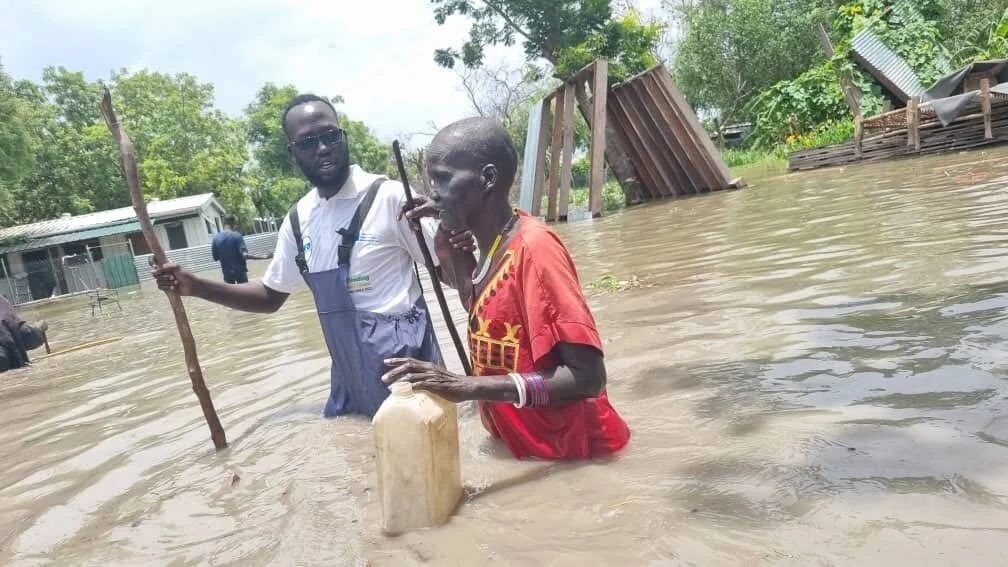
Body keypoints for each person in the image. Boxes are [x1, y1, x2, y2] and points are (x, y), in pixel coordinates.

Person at [153, 94, 472, 417]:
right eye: (308, 142)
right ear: (293, 153)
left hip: (410, 378)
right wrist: (195, 286)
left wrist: (454, 234)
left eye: (330, 136)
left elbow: (450, 276)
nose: (322, 148)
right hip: (349, 378)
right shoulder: (298, 219)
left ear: (343, 137)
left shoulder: (389, 197)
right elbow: (269, 296)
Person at [383, 117, 630, 460]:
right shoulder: (494, 246)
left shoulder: (535, 250)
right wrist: (445, 229)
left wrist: (466, 387)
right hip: (529, 451)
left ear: (487, 179)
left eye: (442, 178)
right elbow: (476, 302)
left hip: (575, 455)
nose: (433, 193)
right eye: (430, 182)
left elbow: (588, 378)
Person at [211, 215, 271, 284]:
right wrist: (264, 257)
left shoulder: (215, 238)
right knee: (244, 293)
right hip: (240, 272)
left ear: (224, 223)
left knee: (230, 294)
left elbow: (215, 258)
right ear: (234, 223)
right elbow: (245, 255)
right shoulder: (237, 236)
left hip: (227, 274)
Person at [0, 295, 48, 372]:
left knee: (32, 333)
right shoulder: (4, 302)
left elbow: (9, 339)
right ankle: (40, 326)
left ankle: (40, 326)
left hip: (19, 335)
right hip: (16, 334)